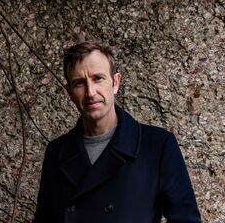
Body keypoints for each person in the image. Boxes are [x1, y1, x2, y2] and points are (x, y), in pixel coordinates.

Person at [33, 42, 201, 223]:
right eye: (80, 83)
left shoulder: (157, 146)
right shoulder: (57, 152)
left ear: (115, 82)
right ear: (70, 92)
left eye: (98, 78)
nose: (90, 92)